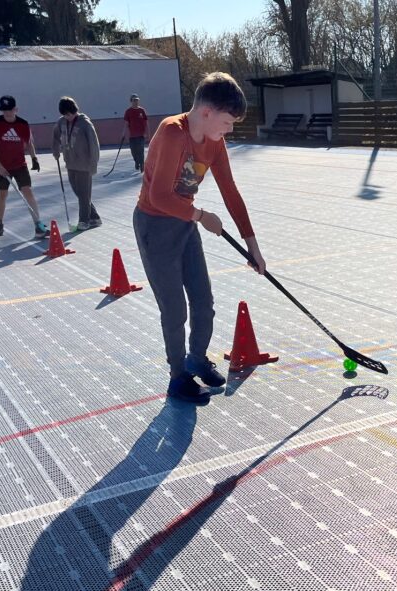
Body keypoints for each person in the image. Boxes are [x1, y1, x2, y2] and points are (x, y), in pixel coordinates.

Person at [134, 72, 267, 405]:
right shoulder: (172, 133)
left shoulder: (214, 142)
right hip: (155, 225)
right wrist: (201, 216)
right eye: (227, 122)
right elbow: (159, 196)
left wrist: (253, 247)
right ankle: (178, 376)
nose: (229, 130)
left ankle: (196, 358)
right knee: (174, 308)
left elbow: (231, 192)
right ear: (207, 113)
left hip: (185, 223)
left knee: (203, 300)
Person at [0, 95, 46, 238]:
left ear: (16, 109)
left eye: (10, 110)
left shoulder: (23, 124)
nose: (7, 113)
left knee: (28, 192)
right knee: (2, 194)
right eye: (4, 110)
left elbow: (29, 142)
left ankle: (38, 224)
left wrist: (34, 158)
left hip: (20, 165)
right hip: (3, 165)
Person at [51, 96, 101, 231]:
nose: (67, 117)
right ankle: (95, 217)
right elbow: (55, 136)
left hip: (84, 164)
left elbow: (94, 144)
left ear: (74, 110)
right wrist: (55, 150)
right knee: (78, 192)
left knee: (84, 194)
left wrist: (93, 164)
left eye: (69, 114)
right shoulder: (61, 122)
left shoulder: (85, 123)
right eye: (65, 115)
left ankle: (84, 220)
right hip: (70, 163)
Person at [123, 93, 148, 172]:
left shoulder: (142, 110)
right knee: (133, 151)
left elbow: (146, 122)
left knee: (141, 150)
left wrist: (148, 133)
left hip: (141, 135)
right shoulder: (128, 111)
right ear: (131, 101)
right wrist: (123, 134)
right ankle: (137, 162)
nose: (136, 102)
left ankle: (142, 165)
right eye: (134, 100)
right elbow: (126, 123)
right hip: (132, 136)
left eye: (137, 100)